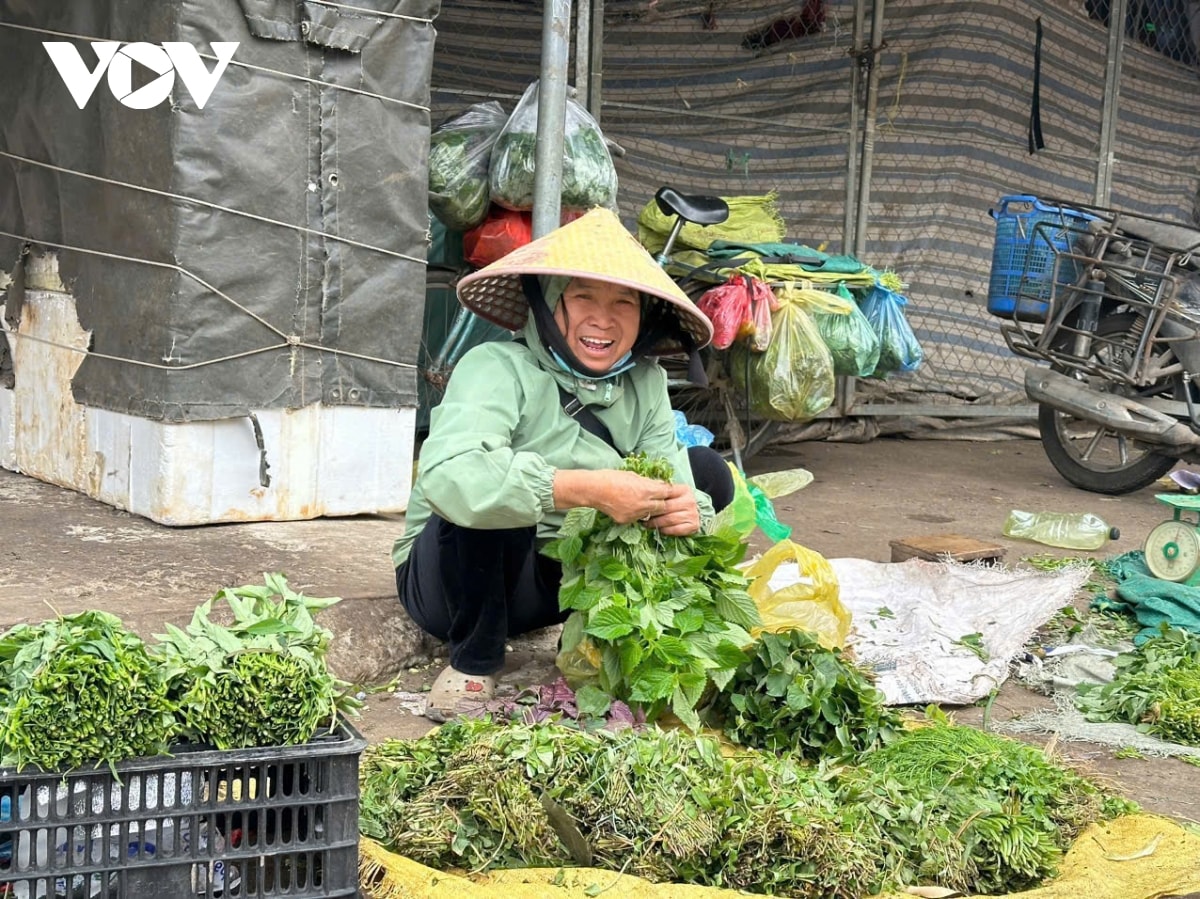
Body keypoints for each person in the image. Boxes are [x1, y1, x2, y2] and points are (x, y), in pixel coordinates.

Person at [392, 207, 735, 722]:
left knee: (706, 469)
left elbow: (676, 478)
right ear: (547, 305)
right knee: (494, 490)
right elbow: (450, 477)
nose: (604, 319)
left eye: (624, 302)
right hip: (452, 584)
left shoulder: (644, 384)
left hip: (561, 579)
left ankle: (602, 635)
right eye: (582, 297)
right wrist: (586, 489)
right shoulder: (495, 368)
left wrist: (688, 512)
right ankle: (473, 663)